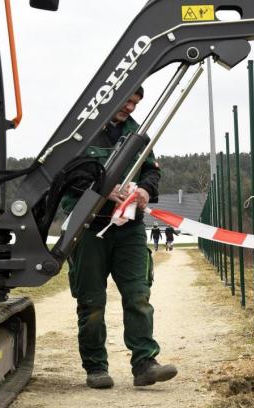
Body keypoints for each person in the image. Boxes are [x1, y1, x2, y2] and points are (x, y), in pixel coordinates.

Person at [61, 87, 177, 389]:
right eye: (126, 100)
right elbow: (66, 176)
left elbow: (152, 172)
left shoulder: (137, 135)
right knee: (91, 300)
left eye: (135, 103)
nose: (130, 107)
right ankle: (96, 367)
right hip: (88, 229)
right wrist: (101, 190)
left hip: (129, 229)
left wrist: (144, 191)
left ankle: (145, 363)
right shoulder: (80, 133)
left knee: (138, 295)